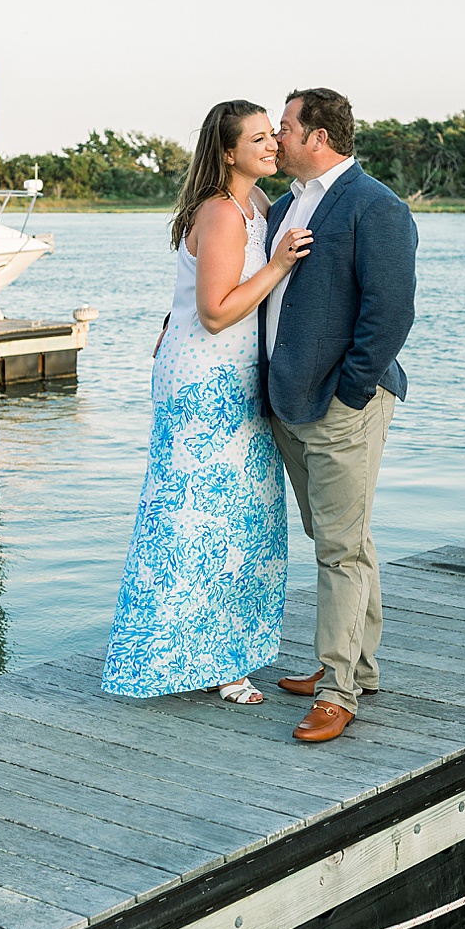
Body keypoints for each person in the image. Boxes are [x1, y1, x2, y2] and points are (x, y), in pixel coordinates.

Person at [101, 100, 315, 704]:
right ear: (227, 152)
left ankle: (222, 653)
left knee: (244, 518)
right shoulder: (222, 212)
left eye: (273, 135)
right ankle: (187, 660)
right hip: (205, 383)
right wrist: (278, 265)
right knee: (198, 521)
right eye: (258, 138)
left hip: (236, 377)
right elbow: (217, 312)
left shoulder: (259, 204)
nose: (272, 145)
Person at [261, 87, 417, 743]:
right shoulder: (283, 206)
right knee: (340, 538)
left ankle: (338, 689)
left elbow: (391, 312)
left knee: (340, 548)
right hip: (289, 402)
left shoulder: (377, 206)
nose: (277, 136)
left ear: (318, 136)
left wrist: (350, 393)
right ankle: (356, 663)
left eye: (286, 126)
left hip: (342, 405)